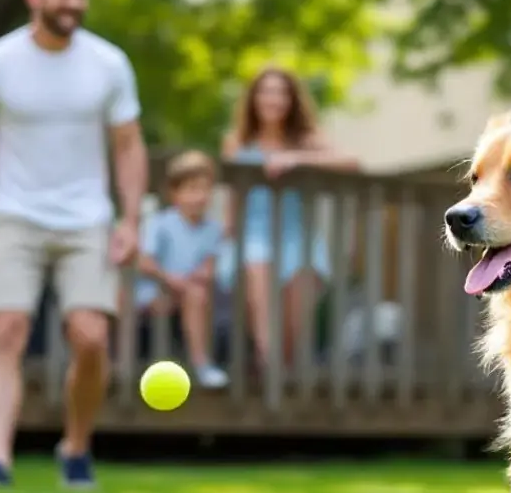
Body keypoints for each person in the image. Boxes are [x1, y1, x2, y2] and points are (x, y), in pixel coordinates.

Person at [0, 0, 147, 489]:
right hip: (15, 212)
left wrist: (129, 222)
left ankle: (75, 447)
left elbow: (128, 145)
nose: (73, 3)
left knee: (91, 337)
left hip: (87, 219)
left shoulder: (108, 63)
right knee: (6, 330)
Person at [220, 67, 359, 368]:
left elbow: (350, 163)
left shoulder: (306, 139)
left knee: (292, 328)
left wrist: (297, 159)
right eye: (266, 92)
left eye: (281, 93)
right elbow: (232, 201)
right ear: (254, 99)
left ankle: (277, 374)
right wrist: (226, 234)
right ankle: (267, 368)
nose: (274, 99)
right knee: (258, 276)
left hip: (297, 236)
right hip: (254, 235)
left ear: (292, 100)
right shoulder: (237, 142)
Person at [135, 150, 228, 389]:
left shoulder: (213, 229)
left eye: (205, 189)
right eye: (192, 189)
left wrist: (204, 272)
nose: (199, 197)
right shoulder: (161, 223)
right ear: (174, 193)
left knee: (199, 294)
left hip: (188, 293)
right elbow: (145, 262)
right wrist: (169, 279)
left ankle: (201, 362)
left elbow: (210, 262)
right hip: (154, 292)